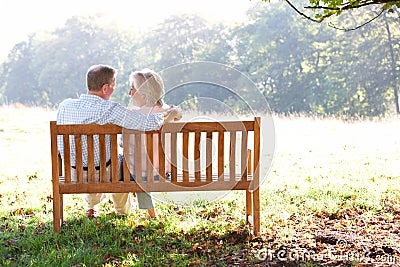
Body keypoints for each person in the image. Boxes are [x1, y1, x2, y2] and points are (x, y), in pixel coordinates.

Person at [56, 64, 176, 219]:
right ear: (105, 88)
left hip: (70, 172)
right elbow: (147, 123)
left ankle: (92, 207)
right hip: (103, 173)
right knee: (119, 161)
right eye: (113, 86)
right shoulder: (109, 109)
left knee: (94, 159)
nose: (114, 90)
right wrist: (168, 114)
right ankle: (122, 211)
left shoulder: (64, 105)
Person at [120, 68, 182, 218]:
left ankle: (149, 213)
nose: (130, 93)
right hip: (165, 172)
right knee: (141, 165)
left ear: (144, 93)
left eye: (132, 89)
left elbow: (123, 143)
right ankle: (150, 213)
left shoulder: (134, 117)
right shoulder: (168, 112)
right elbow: (179, 112)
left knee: (135, 165)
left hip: (141, 174)